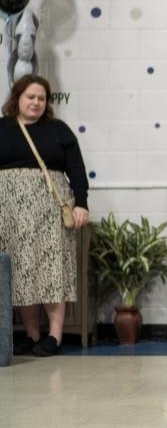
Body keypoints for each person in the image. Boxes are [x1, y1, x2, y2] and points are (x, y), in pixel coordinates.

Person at [0, 74, 89, 357]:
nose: (36, 103)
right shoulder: (2, 128)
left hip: (51, 210)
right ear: (17, 98)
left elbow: (76, 169)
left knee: (52, 270)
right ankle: (31, 334)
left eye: (41, 98)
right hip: (10, 213)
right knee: (21, 270)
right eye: (31, 97)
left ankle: (54, 335)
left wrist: (81, 204)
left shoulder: (58, 130)